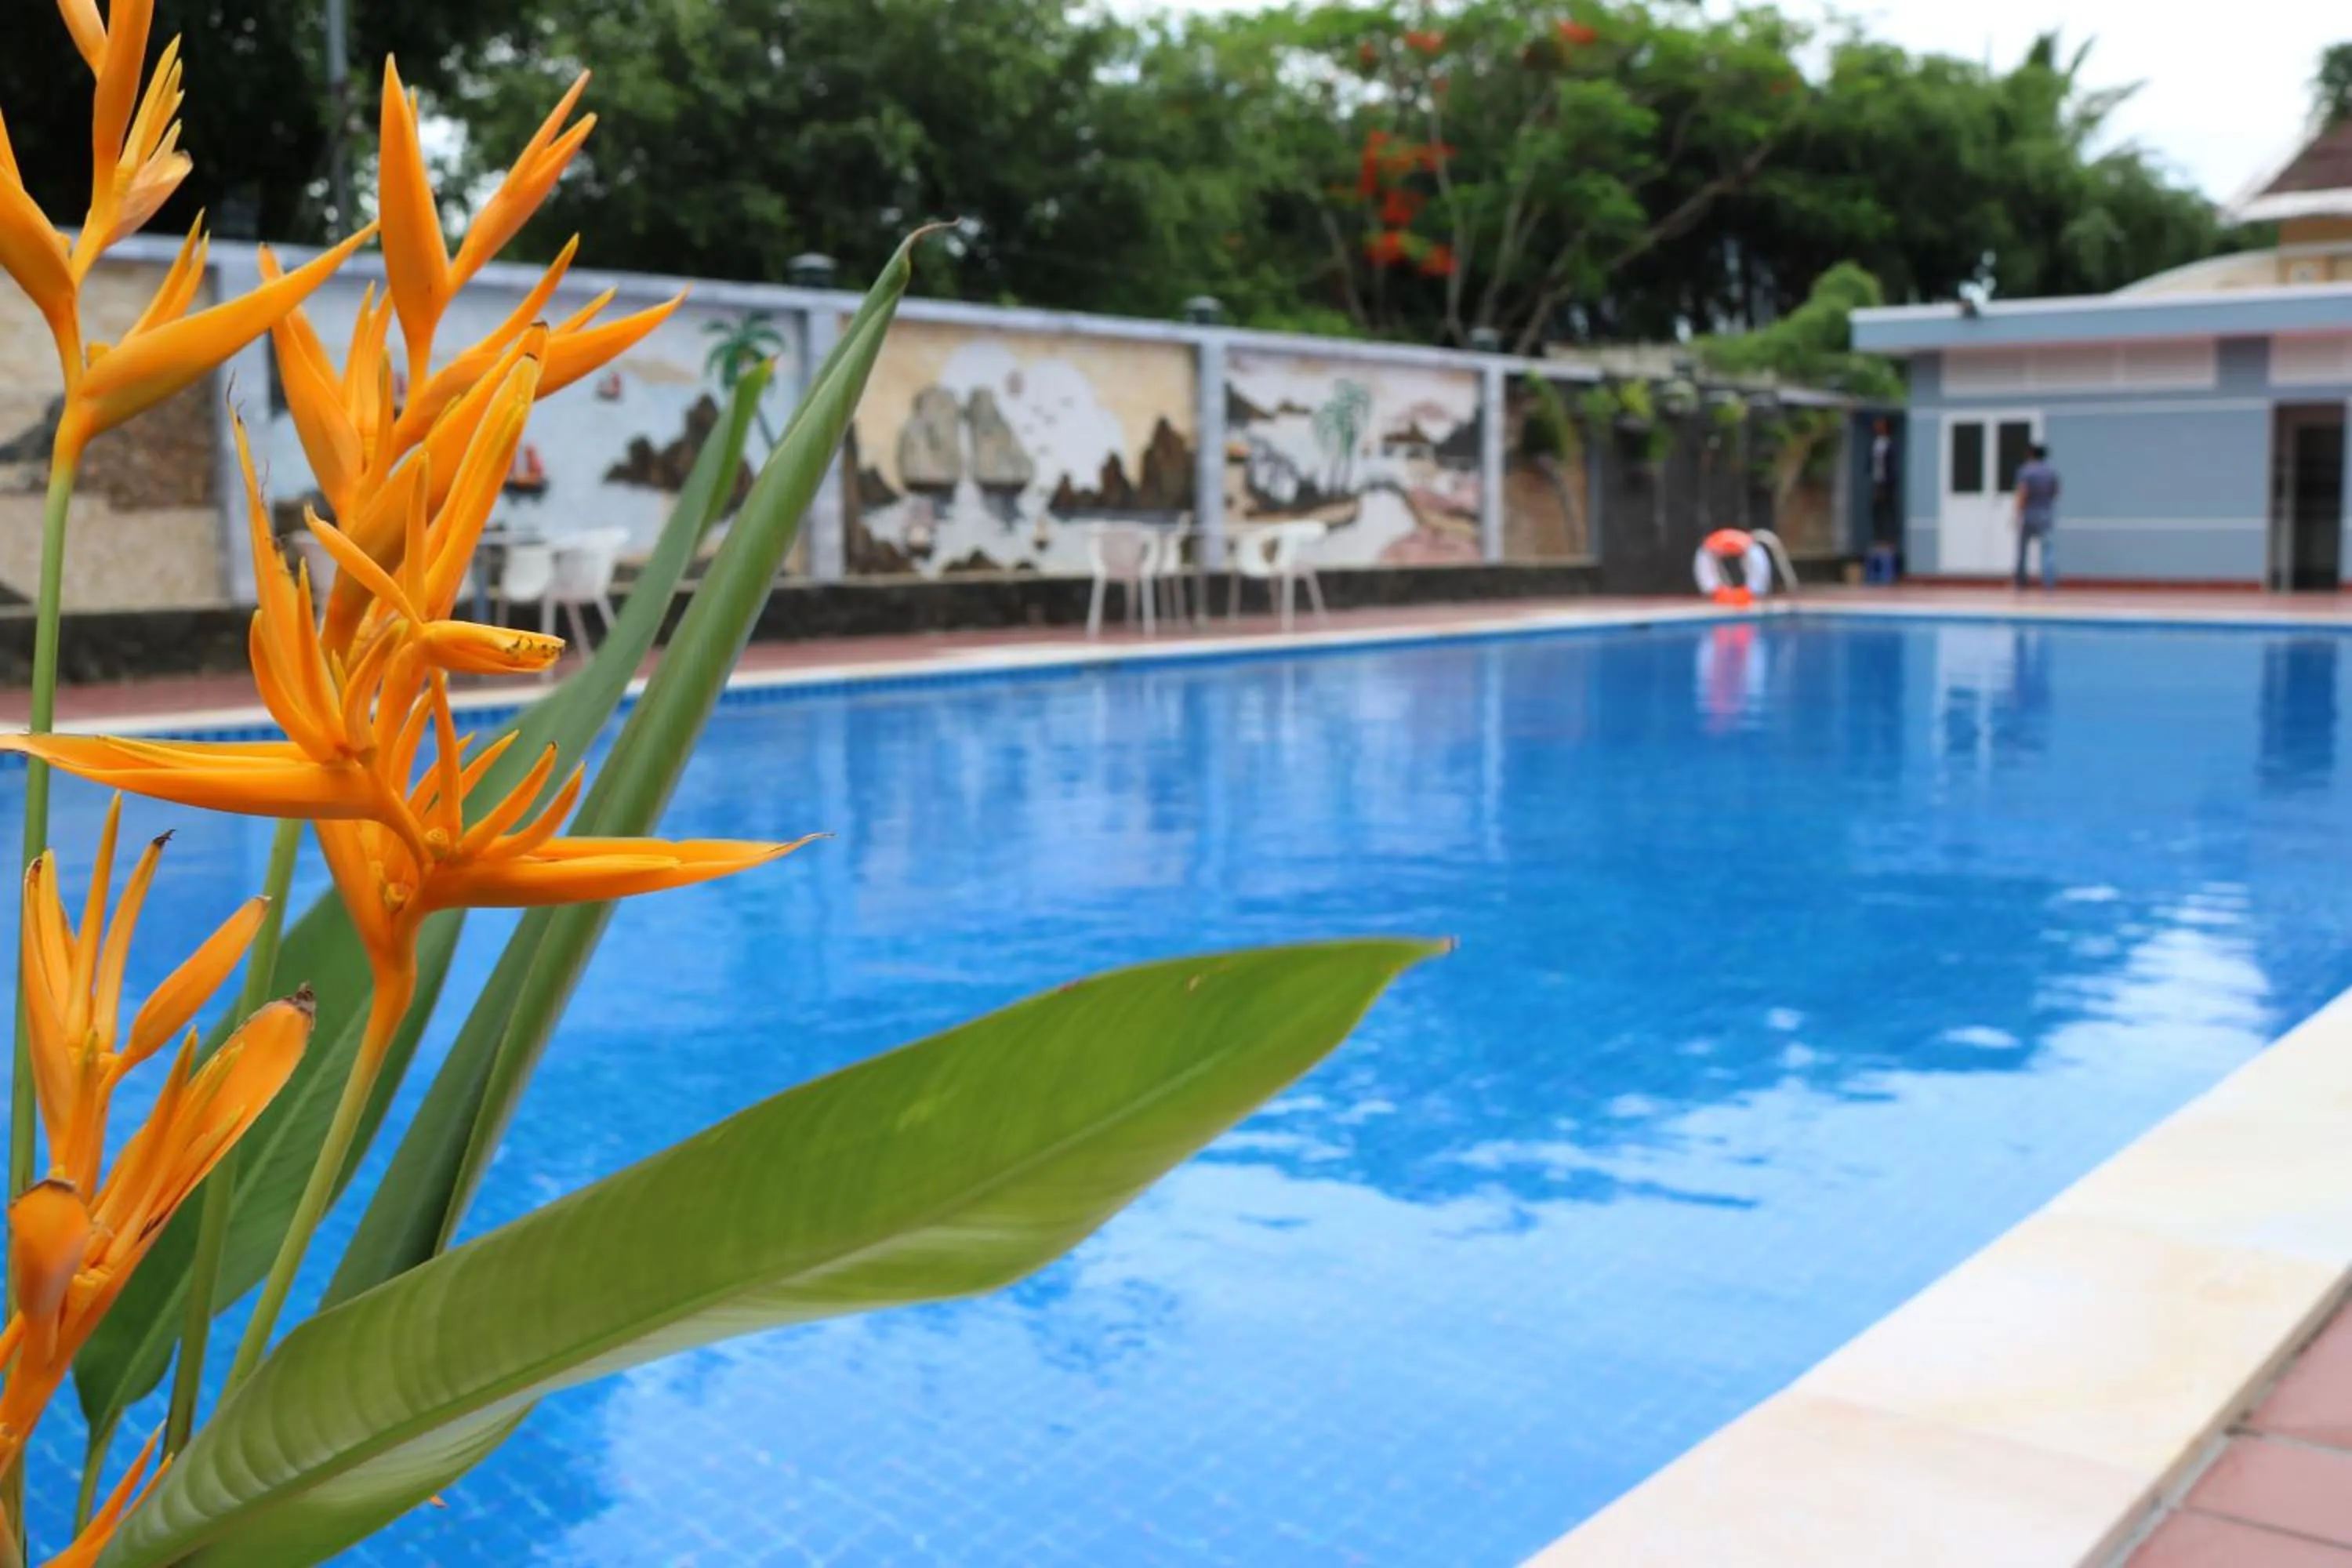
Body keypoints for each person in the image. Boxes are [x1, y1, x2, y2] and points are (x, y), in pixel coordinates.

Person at [2013, 441, 2060, 591]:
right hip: (2045, 513)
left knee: (2023, 549)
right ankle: (2049, 582)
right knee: (2048, 549)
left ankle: (2021, 581)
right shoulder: (2051, 472)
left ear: (2031, 454)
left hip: (2029, 513)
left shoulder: (2026, 471)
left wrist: (2017, 513)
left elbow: (2023, 493)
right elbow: (2056, 492)